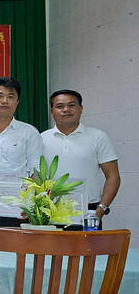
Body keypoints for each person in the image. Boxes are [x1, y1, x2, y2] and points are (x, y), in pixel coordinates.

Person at [41, 89, 120, 229]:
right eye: (60, 106)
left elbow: (113, 176)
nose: (66, 109)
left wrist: (100, 210)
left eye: (71, 105)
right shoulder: (41, 139)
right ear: (52, 112)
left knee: (86, 251)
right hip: (50, 212)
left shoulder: (98, 137)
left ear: (81, 109)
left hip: (88, 213)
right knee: (52, 251)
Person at [0, 77, 42, 227]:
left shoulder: (29, 132)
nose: (5, 101)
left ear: (17, 102)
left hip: (17, 207)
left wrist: (27, 201)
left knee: (16, 249)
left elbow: (36, 171)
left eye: (11, 97)